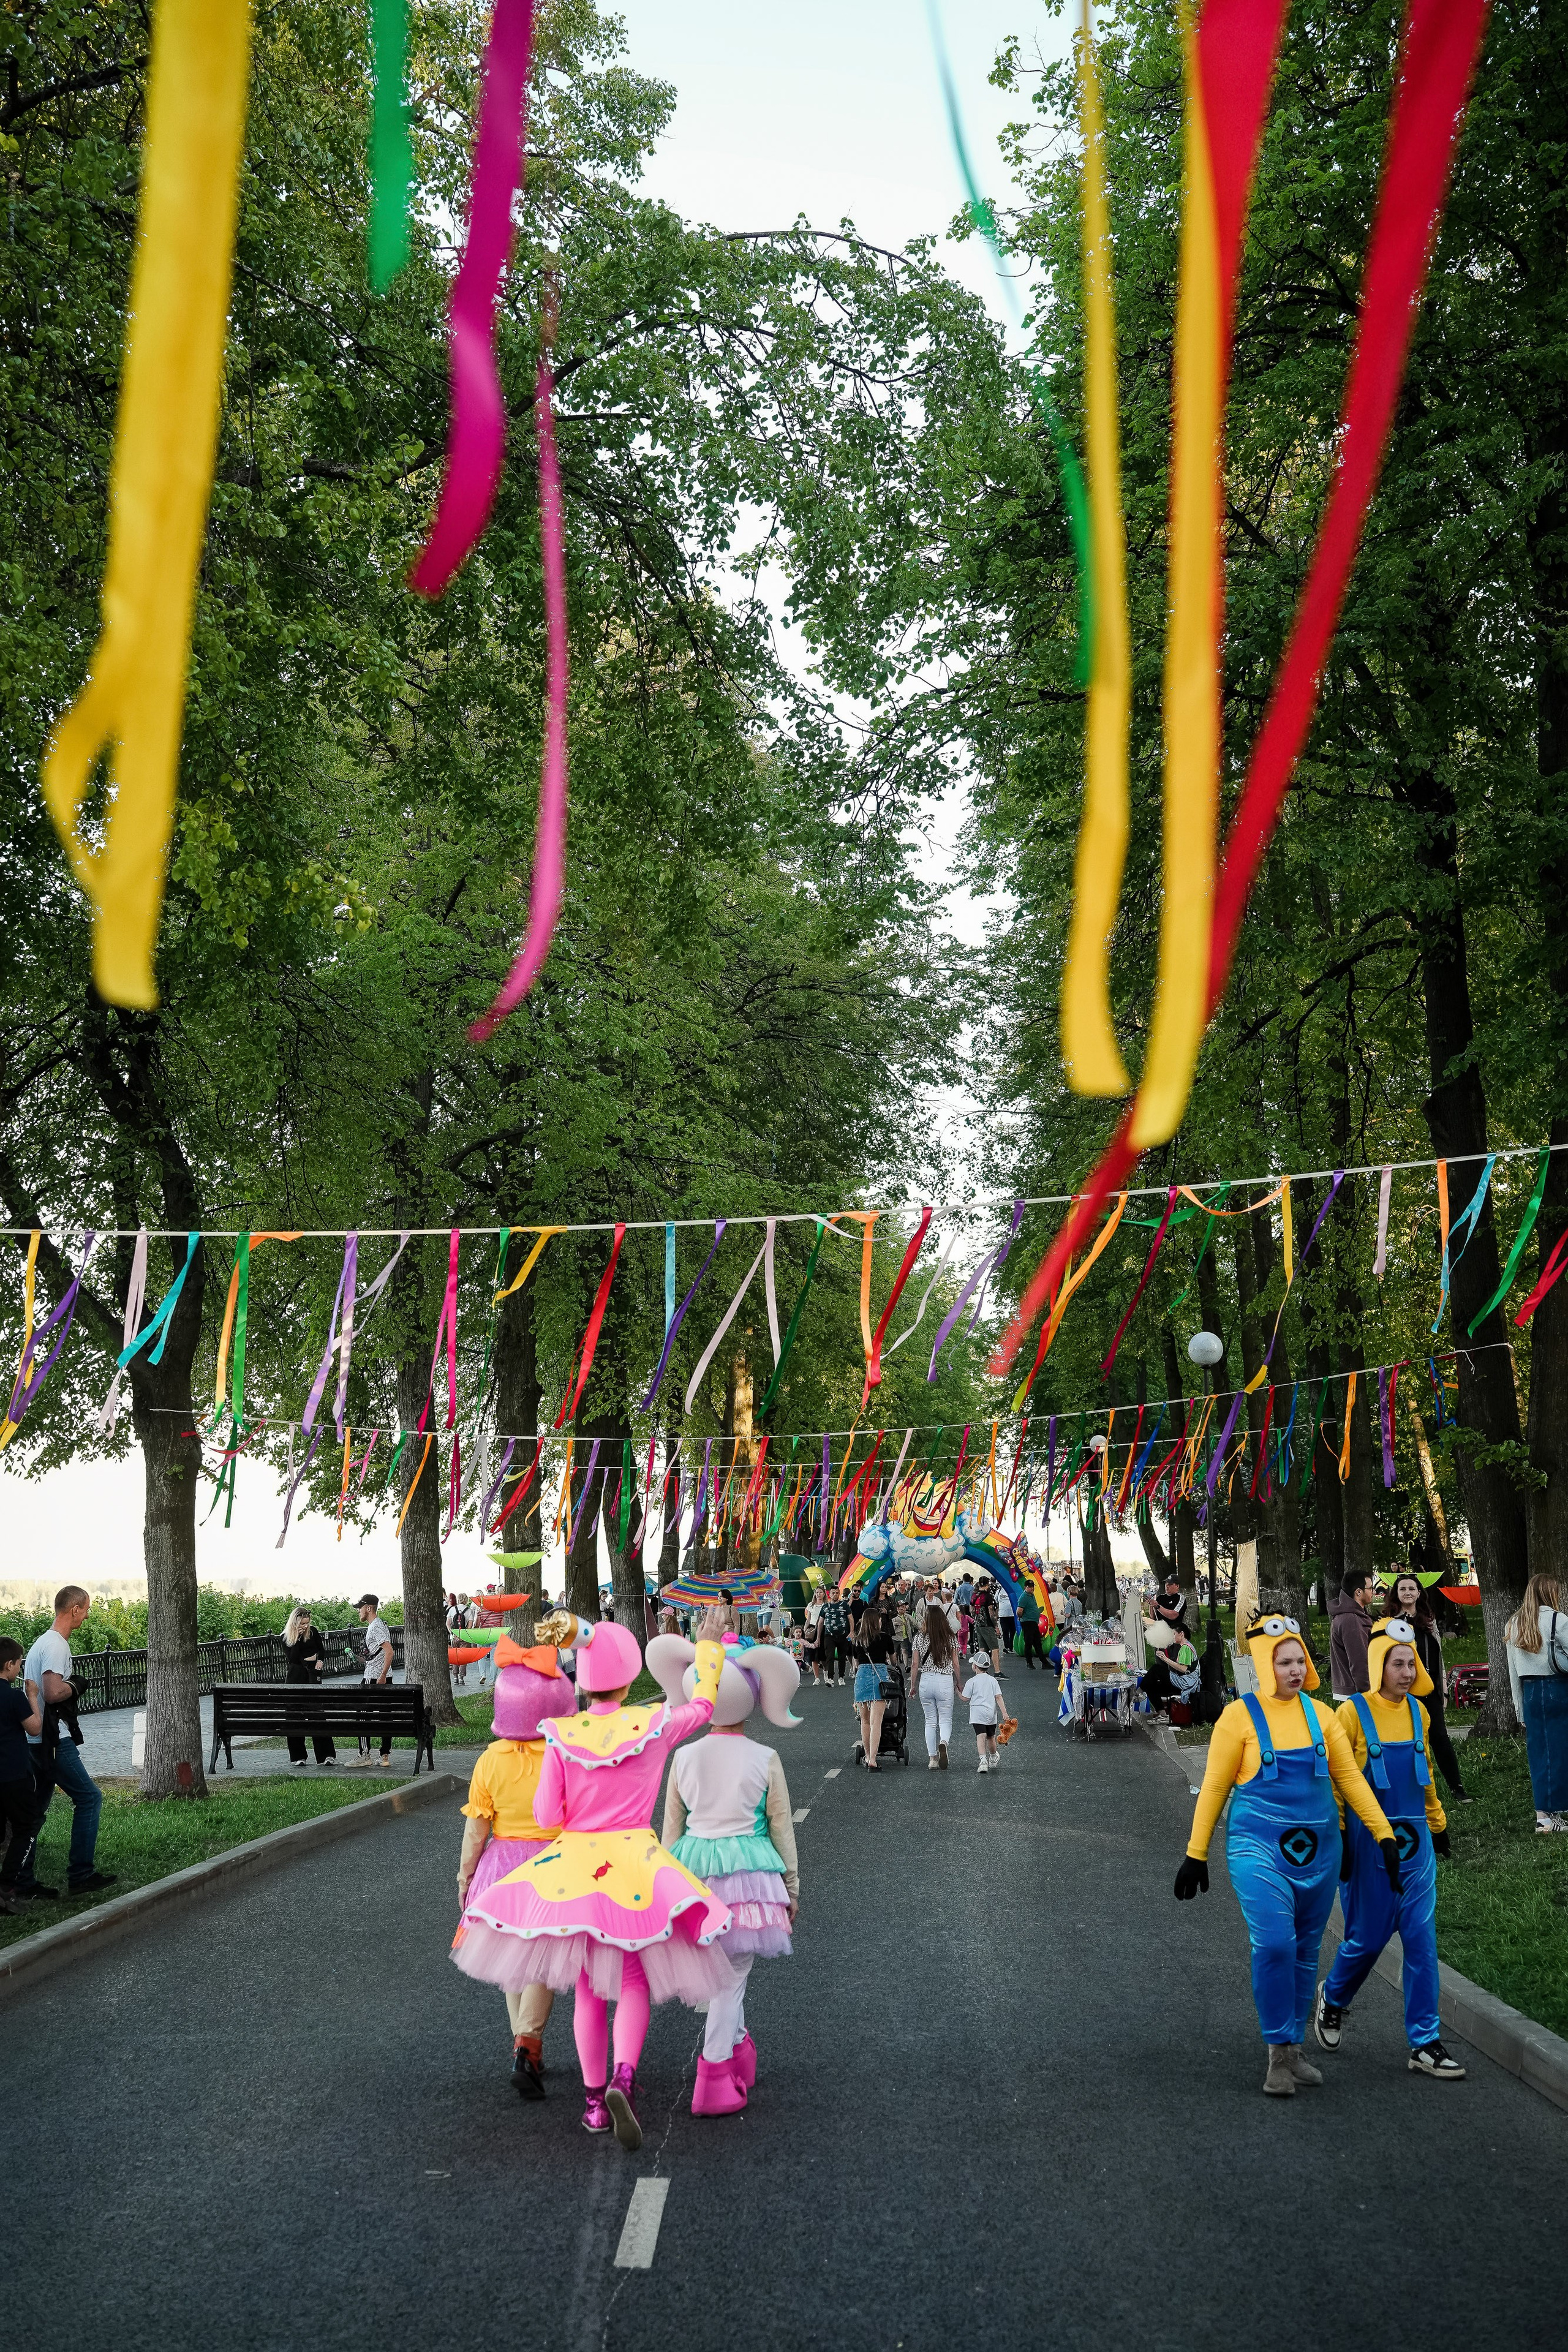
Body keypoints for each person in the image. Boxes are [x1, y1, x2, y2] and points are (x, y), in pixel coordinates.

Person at [453, 1611, 731, 2153]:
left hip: (577, 1869)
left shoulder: (561, 1733)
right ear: (630, 1678)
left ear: (581, 1681)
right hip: (634, 1864)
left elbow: (546, 1811)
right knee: (632, 1980)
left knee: (586, 1987)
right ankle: (625, 2077)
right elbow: (702, 1707)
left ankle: (593, 2103)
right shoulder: (651, 1725)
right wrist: (709, 1649)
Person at [1174, 1613, 1398, 2098]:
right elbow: (1213, 1786)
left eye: (1301, 1660)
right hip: (1258, 1849)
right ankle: (1277, 2053)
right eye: (1285, 1662)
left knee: (1304, 1953)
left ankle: (1294, 2051)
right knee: (1275, 1944)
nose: (1296, 1670)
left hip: (1320, 1856)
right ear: (1262, 1664)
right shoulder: (1238, 1718)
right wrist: (1197, 1853)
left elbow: (1350, 1780)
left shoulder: (1322, 1716)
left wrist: (1383, 1836)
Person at [653, 1630, 801, 2116]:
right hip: (751, 1878)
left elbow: (670, 1830)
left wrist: (663, 1890)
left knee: (722, 1970)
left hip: (694, 1872)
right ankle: (714, 2071)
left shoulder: (684, 1756)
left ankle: (738, 2049)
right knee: (731, 1977)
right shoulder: (765, 1758)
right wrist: (791, 1887)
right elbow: (781, 1827)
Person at [1314, 1616, 1466, 2080]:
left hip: (1416, 1843)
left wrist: (1438, 1824)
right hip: (1367, 1843)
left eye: (1411, 1662)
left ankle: (1425, 2041)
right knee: (1368, 1939)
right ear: (1379, 1665)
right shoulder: (1350, 1714)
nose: (1406, 1671)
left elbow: (1425, 1778)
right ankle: (1333, 1998)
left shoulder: (1418, 1713)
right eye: (1397, 1663)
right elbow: (1337, 1781)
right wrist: (1341, 1837)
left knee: (1421, 1940)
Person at [454, 1634, 578, 2097]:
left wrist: (466, 1877)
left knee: (511, 1956)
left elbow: (476, 1829)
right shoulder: (563, 1756)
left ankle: (521, 2044)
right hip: (554, 1864)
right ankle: (530, 2041)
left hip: (501, 1866)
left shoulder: (489, 1761)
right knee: (543, 1954)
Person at [18, 1585, 114, 1899]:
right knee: (89, 1798)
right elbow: (52, 1692)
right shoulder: (57, 1645)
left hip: (35, 1743)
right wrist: (75, 1685)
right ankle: (81, 1874)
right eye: (86, 1610)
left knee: (34, 1812)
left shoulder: (41, 1642)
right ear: (75, 1609)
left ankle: (22, 1880)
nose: (86, 1616)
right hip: (54, 1741)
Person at [1387, 1570, 1468, 1801]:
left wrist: (1443, 1688)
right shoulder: (1392, 1623)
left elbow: (1439, 1655)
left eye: (1412, 1588)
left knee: (1440, 1737)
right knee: (1408, 1739)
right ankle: (1410, 1790)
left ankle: (1457, 1787)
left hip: (1431, 1688)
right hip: (1405, 1690)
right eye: (1403, 1589)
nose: (1407, 1592)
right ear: (1397, 1593)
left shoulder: (1429, 1620)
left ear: (1419, 1593)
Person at [1504, 1574, 1568, 1832]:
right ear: (1552, 1593)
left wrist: (1519, 1708)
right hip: (1558, 1688)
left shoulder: (1514, 1623)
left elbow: (1512, 1670)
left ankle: (1544, 1814)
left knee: (1540, 1753)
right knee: (1562, 1750)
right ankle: (1559, 1811)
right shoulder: (1558, 1619)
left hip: (1530, 1691)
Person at [0, 1639, 42, 1915]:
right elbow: (35, 1729)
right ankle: (6, 1888)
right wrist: (32, 1697)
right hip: (13, 1775)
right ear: (9, 1665)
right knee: (26, 1828)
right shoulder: (14, 1696)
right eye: (19, 1663)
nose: (19, 1667)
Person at [281, 1606, 337, 1766]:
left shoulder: (313, 1632)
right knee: (294, 1716)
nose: (306, 1626)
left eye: (307, 1623)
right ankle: (299, 1756)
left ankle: (326, 1755)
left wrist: (320, 1660)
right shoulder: (286, 1637)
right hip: (295, 1677)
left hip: (313, 1675)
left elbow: (321, 1649)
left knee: (317, 1714)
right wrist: (297, 1639)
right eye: (303, 1623)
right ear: (295, 1622)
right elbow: (293, 1658)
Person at [911, 1597, 959, 1770]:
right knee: (945, 1720)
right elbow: (956, 1663)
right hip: (945, 1680)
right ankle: (944, 1742)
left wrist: (913, 1686)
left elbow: (915, 1664)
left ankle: (932, 1759)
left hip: (926, 1681)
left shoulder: (919, 1638)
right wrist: (959, 1682)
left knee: (930, 1721)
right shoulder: (950, 1638)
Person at [346, 1594, 393, 1767]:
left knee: (361, 1715)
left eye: (360, 1607)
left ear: (368, 1608)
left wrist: (381, 1675)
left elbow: (389, 1651)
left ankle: (364, 1755)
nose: (358, 1611)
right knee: (385, 1715)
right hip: (380, 1675)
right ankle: (384, 1755)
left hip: (374, 1678)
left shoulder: (375, 1627)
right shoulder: (379, 1625)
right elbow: (379, 1654)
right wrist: (361, 1660)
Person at [849, 1602, 895, 1770]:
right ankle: (873, 1760)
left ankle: (867, 1755)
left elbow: (855, 1664)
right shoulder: (885, 1638)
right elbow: (893, 1660)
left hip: (862, 1677)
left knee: (865, 1722)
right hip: (880, 1677)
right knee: (877, 1722)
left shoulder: (857, 1641)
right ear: (877, 1621)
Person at [1329, 1569, 1375, 1700]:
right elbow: (1359, 1662)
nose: (1373, 1592)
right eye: (1370, 1588)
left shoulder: (1351, 1616)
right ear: (1359, 1592)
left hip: (1352, 1692)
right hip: (1356, 1694)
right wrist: (1368, 1694)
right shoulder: (1352, 1620)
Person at [960, 1651, 1005, 1774]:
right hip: (991, 1714)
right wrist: (1005, 1714)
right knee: (991, 1737)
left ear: (975, 1666)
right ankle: (993, 1757)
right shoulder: (993, 1680)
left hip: (977, 1713)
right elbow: (999, 1697)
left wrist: (958, 1692)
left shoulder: (972, 1681)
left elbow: (965, 1698)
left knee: (980, 1737)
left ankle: (983, 1761)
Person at [818, 1587, 851, 1687]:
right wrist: (818, 1638)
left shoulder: (844, 1605)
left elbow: (851, 1618)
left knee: (842, 1656)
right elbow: (820, 1622)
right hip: (829, 1635)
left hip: (843, 1634)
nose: (835, 1595)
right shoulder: (825, 1607)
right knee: (830, 1656)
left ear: (839, 1594)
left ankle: (841, 1677)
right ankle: (830, 1678)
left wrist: (852, 1632)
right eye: (833, 1593)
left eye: (837, 1593)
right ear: (830, 1594)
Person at [971, 1583, 1001, 1675]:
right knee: (995, 1648)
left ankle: (978, 1670)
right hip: (987, 1625)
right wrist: (996, 1626)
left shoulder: (974, 1596)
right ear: (987, 1585)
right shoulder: (988, 1597)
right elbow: (992, 1613)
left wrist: (977, 1618)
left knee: (982, 1649)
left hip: (978, 1625)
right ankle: (997, 1672)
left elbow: (971, 1610)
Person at [1016, 1581, 1047, 1671]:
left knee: (1037, 1642)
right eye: (1030, 1587)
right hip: (1028, 1622)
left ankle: (1044, 1662)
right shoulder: (1024, 1597)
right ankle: (1029, 1663)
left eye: (1033, 1586)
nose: (1032, 1588)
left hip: (1033, 1622)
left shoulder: (1031, 1595)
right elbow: (1019, 1611)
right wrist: (1021, 1617)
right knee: (1029, 1643)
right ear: (1026, 1587)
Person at [1152, 1571, 1189, 1643]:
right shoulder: (1160, 1597)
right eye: (1166, 1584)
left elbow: (1174, 1615)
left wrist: (1158, 1607)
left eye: (1170, 1584)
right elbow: (1153, 1617)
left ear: (1177, 1586)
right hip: (1160, 1633)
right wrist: (1152, 1604)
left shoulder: (1180, 1598)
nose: (1167, 1586)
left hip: (1174, 1634)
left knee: (1173, 1654)